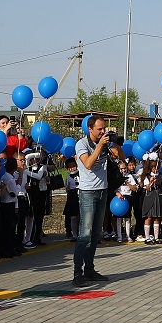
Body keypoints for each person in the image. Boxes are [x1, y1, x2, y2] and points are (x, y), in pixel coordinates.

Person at [73, 118, 113, 286]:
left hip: (103, 190)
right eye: (99, 129)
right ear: (90, 129)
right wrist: (100, 146)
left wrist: (115, 145)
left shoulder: (106, 143)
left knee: (97, 234)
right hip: (88, 192)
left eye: (104, 129)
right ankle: (77, 273)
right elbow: (88, 164)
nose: (102, 132)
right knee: (85, 234)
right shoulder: (81, 144)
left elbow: (122, 157)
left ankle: (90, 269)